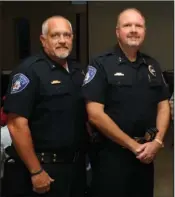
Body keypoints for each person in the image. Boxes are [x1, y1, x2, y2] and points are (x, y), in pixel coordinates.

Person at [82, 8, 170, 197]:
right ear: (117, 32)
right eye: (127, 25)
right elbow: (95, 114)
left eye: (138, 26)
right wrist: (133, 145)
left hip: (146, 155)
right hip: (111, 155)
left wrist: (158, 141)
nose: (133, 30)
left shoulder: (152, 65)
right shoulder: (100, 63)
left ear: (144, 31)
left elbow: (163, 105)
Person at [2, 16, 88, 197]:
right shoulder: (28, 71)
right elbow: (16, 125)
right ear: (43, 40)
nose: (62, 40)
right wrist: (36, 171)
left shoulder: (78, 70)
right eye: (55, 35)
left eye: (67, 35)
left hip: (76, 167)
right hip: (45, 168)